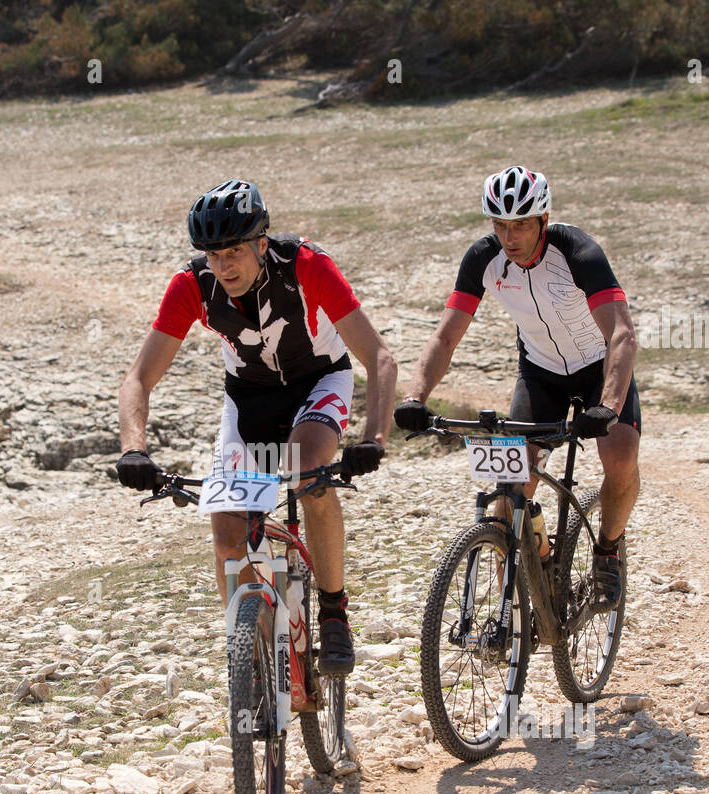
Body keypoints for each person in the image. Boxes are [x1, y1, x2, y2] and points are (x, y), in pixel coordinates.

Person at [116, 179, 397, 675]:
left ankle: (333, 611)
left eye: (234, 253)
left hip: (319, 380)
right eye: (212, 255)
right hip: (249, 397)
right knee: (226, 533)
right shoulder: (192, 286)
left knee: (305, 469)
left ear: (261, 245)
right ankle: (249, 655)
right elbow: (138, 378)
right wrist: (133, 449)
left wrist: (373, 438)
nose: (223, 267)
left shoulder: (306, 266)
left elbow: (378, 356)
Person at [395, 165, 640, 611]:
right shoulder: (482, 259)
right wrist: (415, 397)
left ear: (543, 219)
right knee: (509, 493)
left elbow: (622, 334)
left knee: (620, 458)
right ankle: (522, 603)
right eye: (500, 225)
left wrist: (608, 405)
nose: (509, 236)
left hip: (598, 369)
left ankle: (607, 549)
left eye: (521, 224)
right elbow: (445, 337)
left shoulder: (579, 252)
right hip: (541, 373)